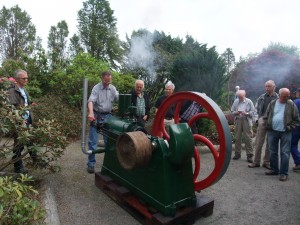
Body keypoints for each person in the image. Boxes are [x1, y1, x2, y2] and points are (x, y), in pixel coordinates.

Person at [264, 88, 300, 181]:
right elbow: (266, 115)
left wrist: (289, 127)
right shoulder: (272, 103)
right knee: (273, 152)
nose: (287, 97)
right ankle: (274, 169)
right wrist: (267, 124)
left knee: (285, 153)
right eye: (285, 96)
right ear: (280, 95)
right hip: (272, 131)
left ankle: (284, 173)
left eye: (288, 95)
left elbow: (297, 120)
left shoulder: (291, 104)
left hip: (285, 132)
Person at [86, 71, 119, 174]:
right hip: (96, 115)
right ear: (102, 79)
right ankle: (91, 164)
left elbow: (119, 98)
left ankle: (109, 165)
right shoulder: (96, 88)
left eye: (108, 82)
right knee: (93, 141)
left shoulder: (113, 89)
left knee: (109, 141)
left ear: (111, 80)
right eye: (105, 81)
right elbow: (91, 101)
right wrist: (91, 113)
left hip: (108, 116)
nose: (106, 84)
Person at [7, 69, 36, 173]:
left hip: (27, 120)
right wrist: (20, 120)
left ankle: (36, 161)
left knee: (30, 141)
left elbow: (25, 103)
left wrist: (30, 105)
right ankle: (18, 167)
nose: (26, 80)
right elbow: (11, 108)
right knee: (19, 144)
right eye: (24, 78)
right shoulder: (11, 91)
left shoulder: (24, 90)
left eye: (27, 78)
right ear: (17, 79)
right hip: (19, 122)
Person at [248, 80, 279, 169]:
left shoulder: (278, 98)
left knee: (270, 143)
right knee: (258, 142)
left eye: (269, 86)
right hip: (262, 119)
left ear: (274, 87)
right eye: (266, 86)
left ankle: (266, 162)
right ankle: (256, 162)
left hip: (273, 121)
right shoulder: (261, 97)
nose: (267, 88)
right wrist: (257, 120)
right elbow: (256, 109)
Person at [231, 90, 255, 162]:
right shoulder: (236, 101)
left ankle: (249, 155)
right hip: (238, 120)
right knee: (237, 137)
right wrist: (235, 112)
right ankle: (237, 154)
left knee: (248, 138)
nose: (239, 98)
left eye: (241, 97)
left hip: (246, 120)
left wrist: (246, 113)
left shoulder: (249, 101)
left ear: (244, 95)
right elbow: (232, 111)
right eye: (238, 97)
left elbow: (253, 112)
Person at [291, 88, 300, 171]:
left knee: (292, 144)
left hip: (297, 126)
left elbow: (291, 114)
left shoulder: (296, 102)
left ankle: (298, 162)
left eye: (296, 93)